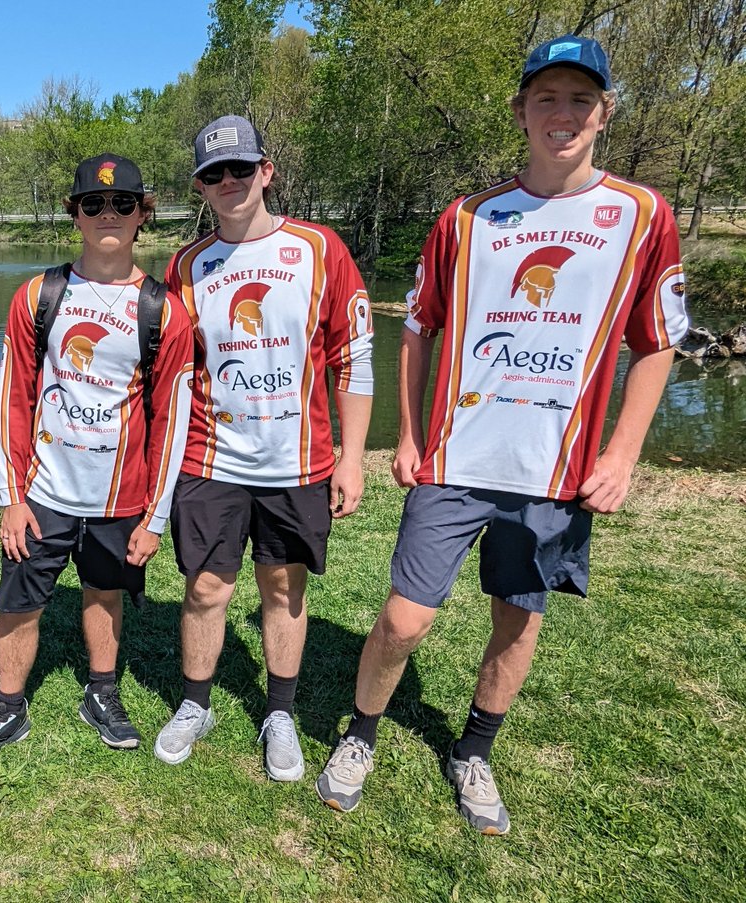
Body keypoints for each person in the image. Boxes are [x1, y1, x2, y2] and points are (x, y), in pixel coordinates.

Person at [316, 34, 689, 834]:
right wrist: (410, 435)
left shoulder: (642, 215)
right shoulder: (466, 219)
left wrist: (622, 454)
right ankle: (362, 732)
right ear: (521, 110)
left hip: (554, 473)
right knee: (405, 618)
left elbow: (655, 340)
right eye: (547, 98)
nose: (563, 115)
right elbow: (417, 328)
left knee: (517, 620)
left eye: (580, 100)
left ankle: (474, 749)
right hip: (455, 458)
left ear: (605, 111)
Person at [0, 153, 193, 765]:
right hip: (44, 496)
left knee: (104, 594)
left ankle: (102, 694)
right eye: (93, 204)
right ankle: (9, 705)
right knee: (18, 602)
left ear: (144, 214)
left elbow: (171, 422)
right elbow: (14, 401)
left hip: (121, 499)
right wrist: (12, 498)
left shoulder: (163, 310)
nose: (106, 214)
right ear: (74, 214)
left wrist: (154, 518)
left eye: (121, 204)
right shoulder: (40, 294)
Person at [156, 116, 375, 781]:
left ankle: (279, 711)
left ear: (266, 172)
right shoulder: (185, 265)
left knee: (283, 586)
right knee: (206, 588)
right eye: (214, 174)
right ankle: (196, 703)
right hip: (211, 459)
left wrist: (353, 453)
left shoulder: (320, 248)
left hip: (297, 460)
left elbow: (353, 357)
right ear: (200, 185)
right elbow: (170, 369)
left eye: (240, 169)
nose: (228, 183)